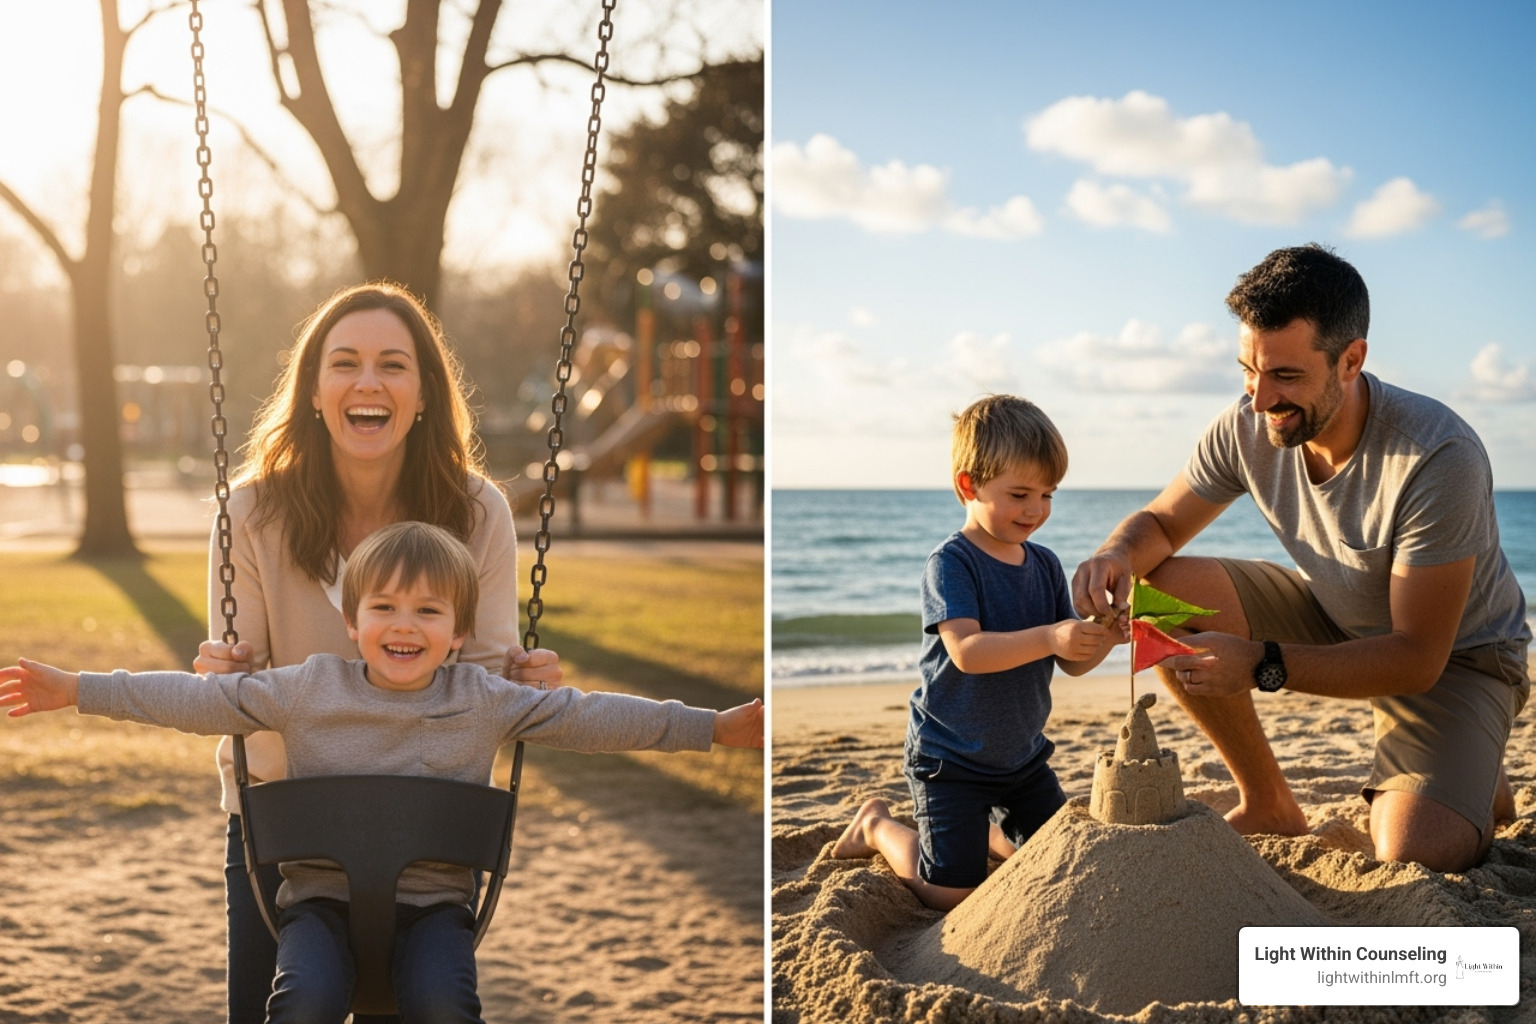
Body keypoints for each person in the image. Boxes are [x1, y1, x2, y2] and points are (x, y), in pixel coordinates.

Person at [0, 521, 765, 1024]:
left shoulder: (486, 699)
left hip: (435, 908)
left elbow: (596, 716)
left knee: (442, 1001)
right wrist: (79, 690)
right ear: (352, 621)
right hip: (316, 906)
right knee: (303, 1001)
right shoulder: (305, 688)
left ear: (461, 632)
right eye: (385, 607)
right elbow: (199, 701)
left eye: (430, 612)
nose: (405, 625)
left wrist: (714, 729)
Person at [1072, 243, 1530, 874]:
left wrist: (1260, 665)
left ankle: (1468, 762)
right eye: (1247, 371)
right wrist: (1114, 554)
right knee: (1162, 585)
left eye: (1285, 377)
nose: (1260, 400)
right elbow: (1160, 523)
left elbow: (1418, 656)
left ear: (1351, 360)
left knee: (1414, 852)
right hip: (1335, 614)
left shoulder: (1438, 455)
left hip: (1457, 659)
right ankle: (1269, 803)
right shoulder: (1249, 422)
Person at [192, 281, 563, 1023]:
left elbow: (484, 675)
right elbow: (243, 685)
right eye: (345, 364)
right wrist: (223, 673)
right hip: (281, 820)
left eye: (393, 364)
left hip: (423, 813)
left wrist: (526, 682)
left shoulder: (474, 509)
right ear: (315, 391)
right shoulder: (251, 513)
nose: (368, 382)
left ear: (424, 393)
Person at [831, 395, 1122, 910]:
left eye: (1048, 494)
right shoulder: (952, 563)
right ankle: (876, 825)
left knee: (1062, 857)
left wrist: (1100, 636)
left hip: (1021, 756)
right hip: (950, 757)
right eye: (1019, 494)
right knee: (949, 894)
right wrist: (1050, 637)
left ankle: (986, 834)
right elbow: (967, 651)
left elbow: (1071, 663)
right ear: (969, 485)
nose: (1036, 510)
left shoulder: (1046, 564)